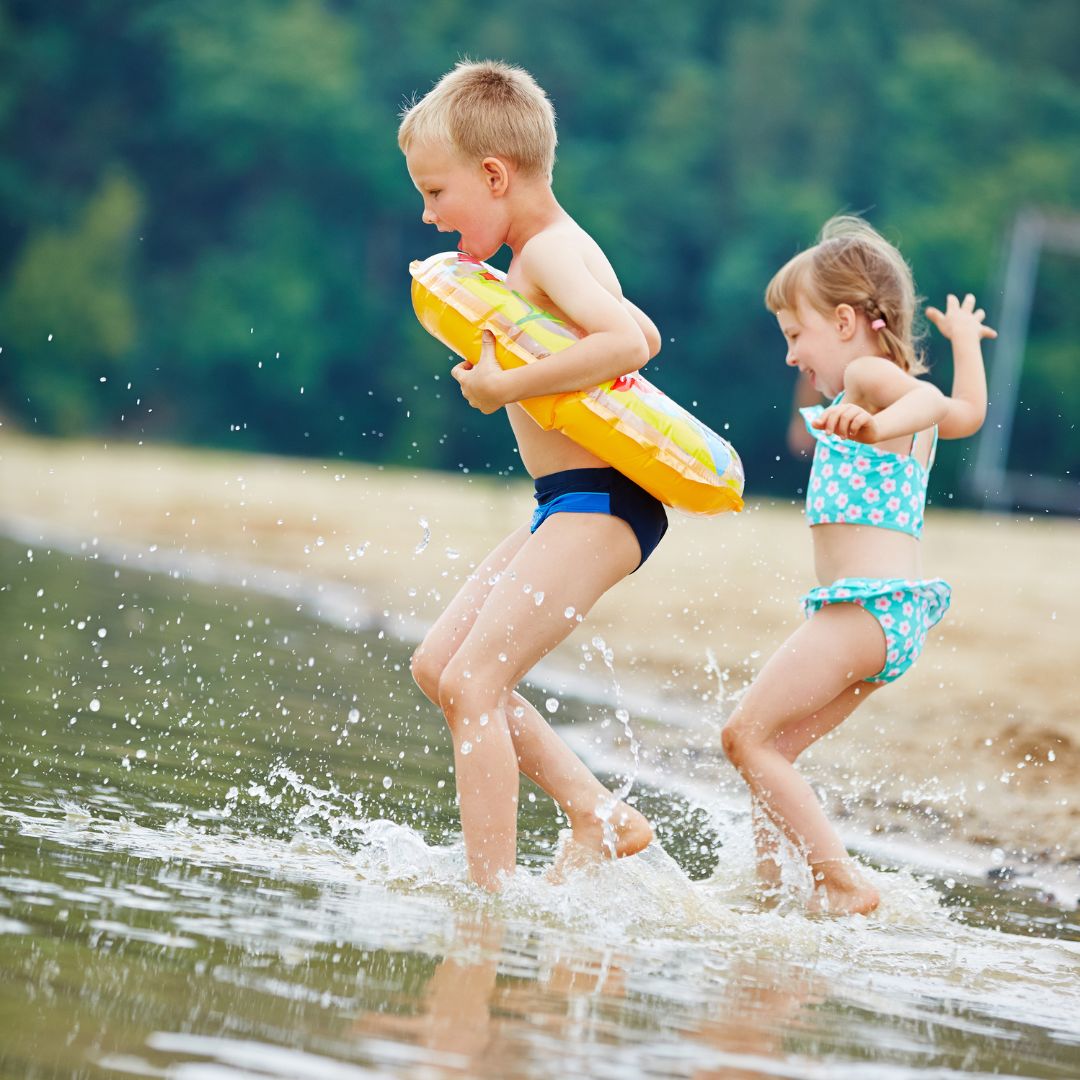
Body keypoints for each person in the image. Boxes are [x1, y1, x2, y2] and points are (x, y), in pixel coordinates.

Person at [398, 59, 661, 891]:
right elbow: (640, 327)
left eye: (435, 192)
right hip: (568, 502)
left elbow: (630, 342)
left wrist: (503, 387)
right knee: (439, 666)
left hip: (602, 503)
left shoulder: (548, 252)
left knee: (475, 681)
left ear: (493, 175)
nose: (428, 213)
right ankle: (596, 813)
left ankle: (488, 902)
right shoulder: (552, 253)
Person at [721, 215, 995, 915]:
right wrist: (966, 344)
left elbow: (925, 402)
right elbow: (964, 410)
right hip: (889, 621)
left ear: (845, 322)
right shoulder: (882, 389)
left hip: (863, 612)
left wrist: (875, 425)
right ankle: (772, 891)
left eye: (796, 335)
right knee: (771, 749)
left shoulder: (872, 382)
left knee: (742, 737)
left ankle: (839, 881)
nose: (791, 356)